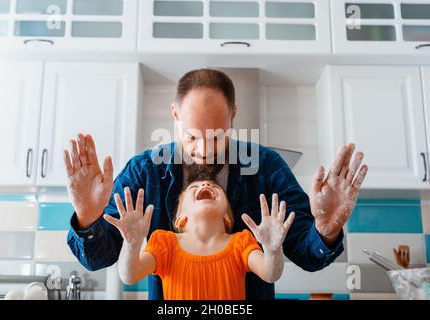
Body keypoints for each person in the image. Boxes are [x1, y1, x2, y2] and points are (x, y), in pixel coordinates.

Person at [65, 68, 368, 299]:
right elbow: (100, 257)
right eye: (192, 137)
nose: (205, 149)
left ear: (233, 116)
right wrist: (88, 217)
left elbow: (305, 252)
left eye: (217, 135)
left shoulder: (266, 168)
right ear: (175, 115)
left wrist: (325, 231)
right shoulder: (145, 172)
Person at [103, 176, 295, 300]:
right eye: (193, 187)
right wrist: (132, 245)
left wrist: (272, 249)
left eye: (214, 186)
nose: (205, 184)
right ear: (180, 218)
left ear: (227, 218)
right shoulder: (165, 243)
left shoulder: (241, 242)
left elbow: (271, 274)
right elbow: (130, 275)